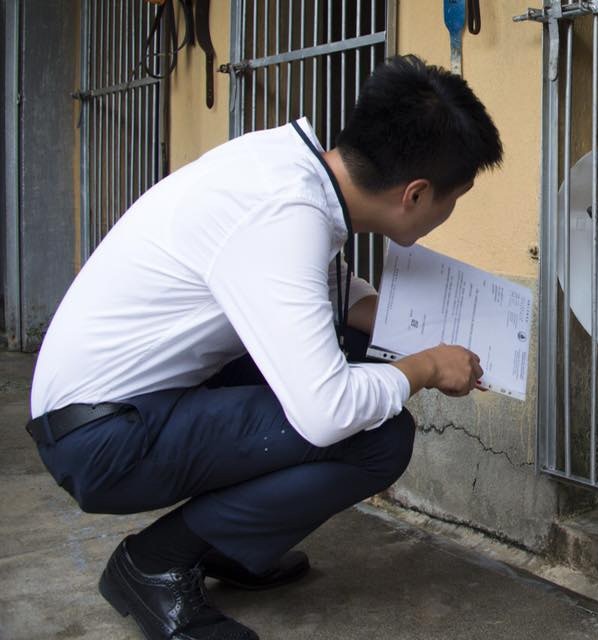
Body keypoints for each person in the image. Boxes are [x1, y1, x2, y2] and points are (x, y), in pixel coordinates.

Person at [27, 54, 503, 640]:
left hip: (138, 400)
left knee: (358, 344)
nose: (449, 213)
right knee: (378, 436)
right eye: (453, 198)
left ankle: (227, 545)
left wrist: (394, 320)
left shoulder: (294, 171)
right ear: (415, 193)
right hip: (101, 439)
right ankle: (155, 563)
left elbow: (314, 289)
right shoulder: (283, 216)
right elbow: (324, 411)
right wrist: (426, 366)